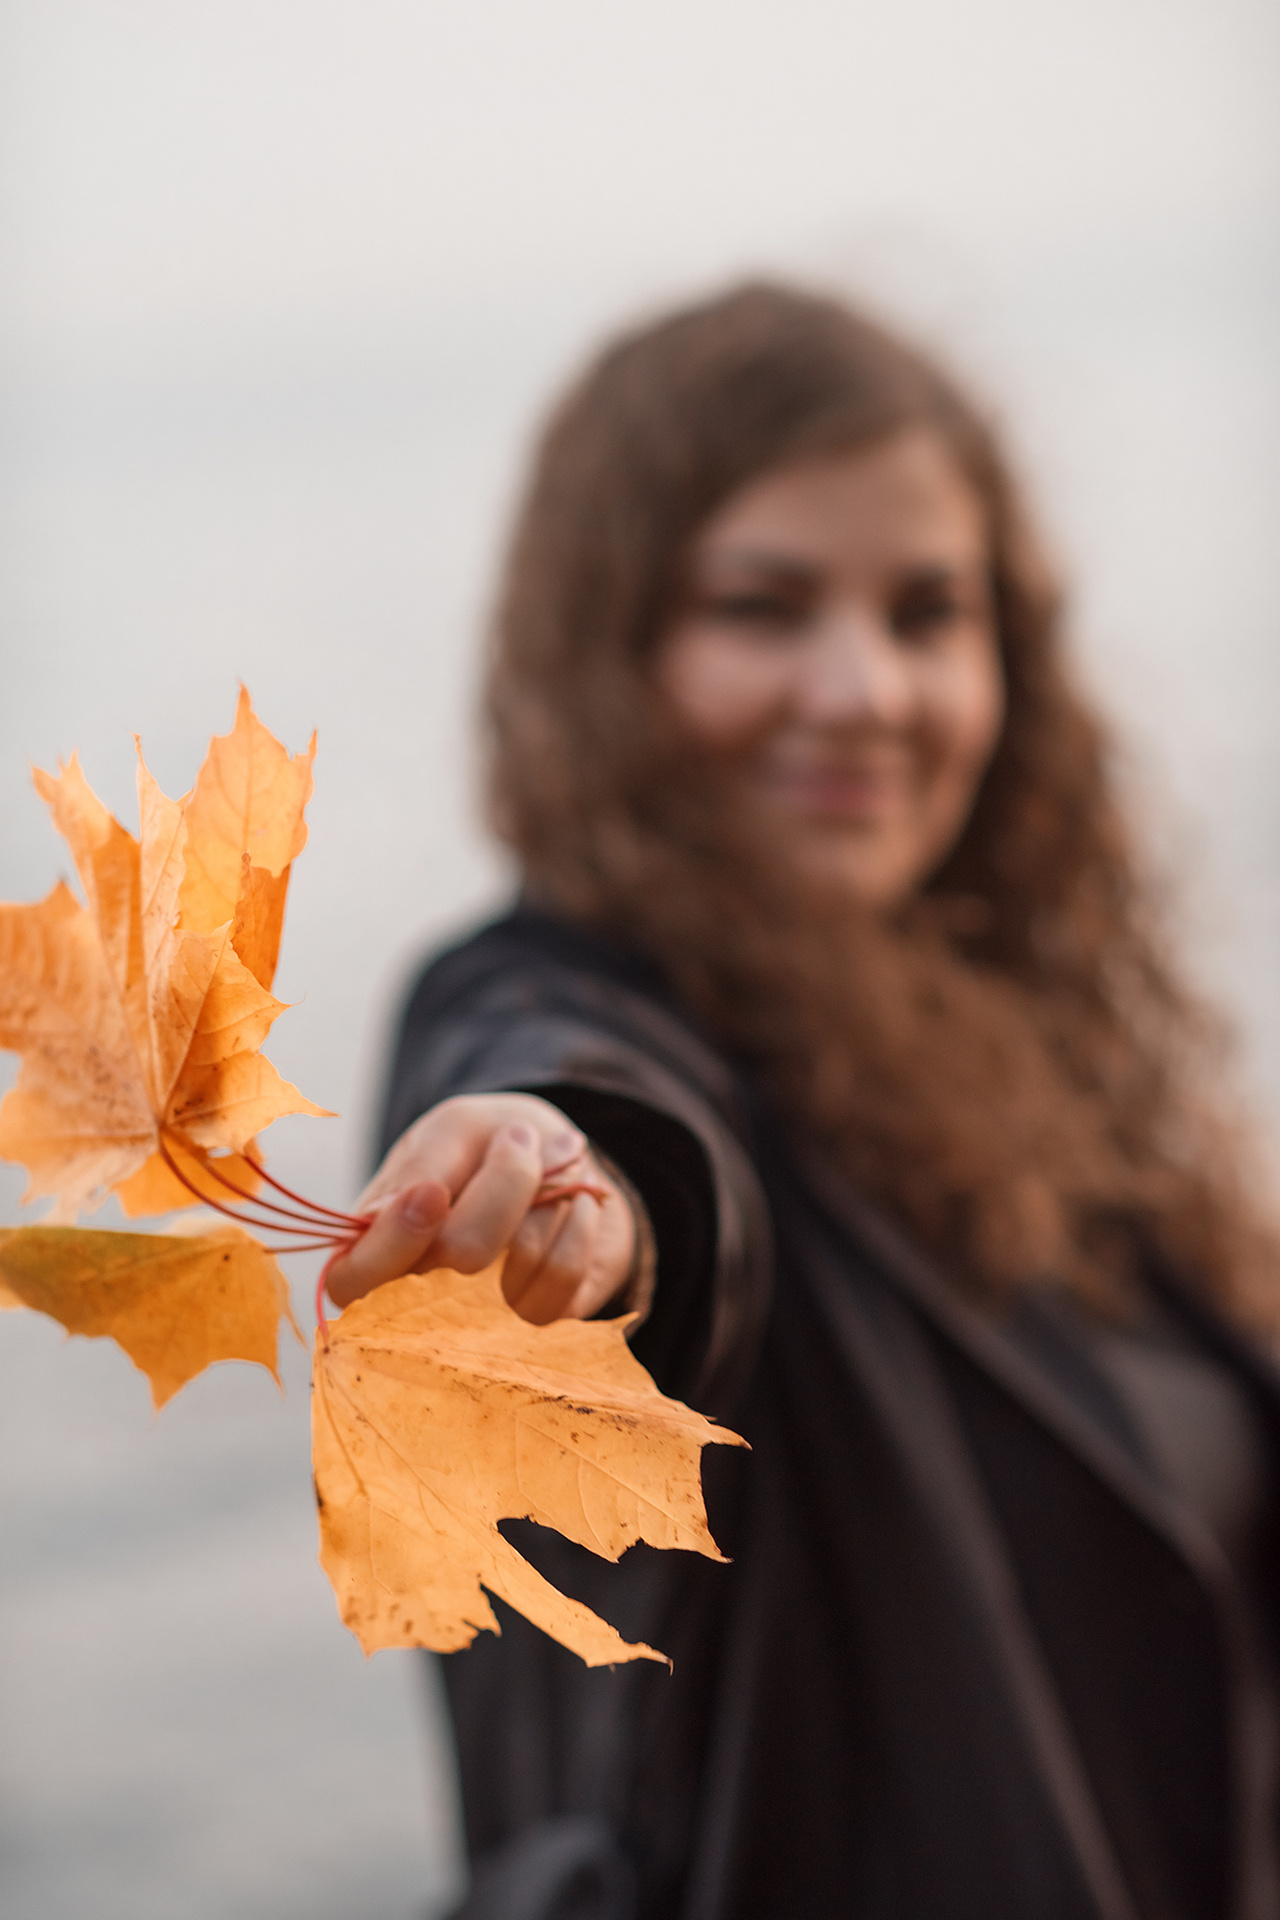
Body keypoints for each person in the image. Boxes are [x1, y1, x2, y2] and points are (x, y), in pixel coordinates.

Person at [324, 283, 1280, 1920]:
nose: (864, 691)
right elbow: (623, 1142)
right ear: (611, 655)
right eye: (763, 608)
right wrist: (578, 1192)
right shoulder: (563, 997)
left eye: (927, 613)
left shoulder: (1027, 1049)